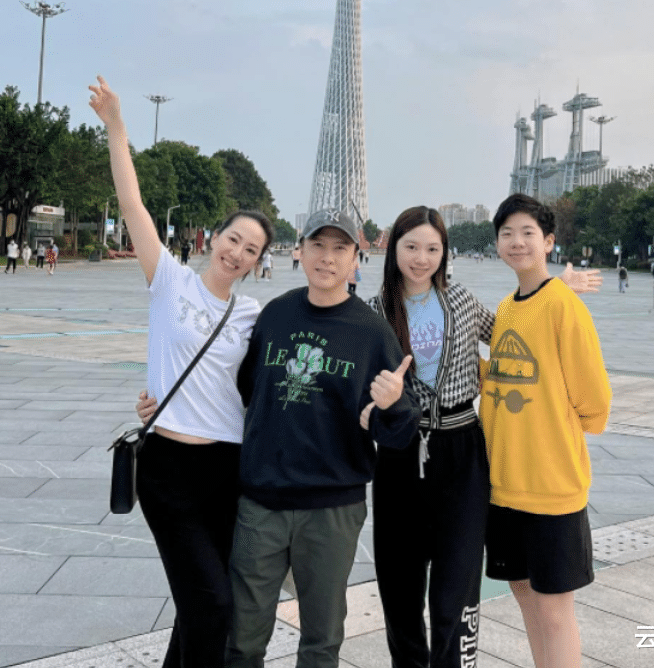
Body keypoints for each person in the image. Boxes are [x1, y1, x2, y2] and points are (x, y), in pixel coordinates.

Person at [365, 206, 602, 668]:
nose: (421, 258)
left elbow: (516, 336)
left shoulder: (462, 302)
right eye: (411, 247)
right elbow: (357, 394)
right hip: (400, 456)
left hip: (462, 452)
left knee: (456, 589)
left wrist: (554, 291)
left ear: (444, 253)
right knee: (399, 587)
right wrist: (378, 404)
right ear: (393, 250)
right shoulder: (373, 314)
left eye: (432, 248)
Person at [90, 74, 274, 668]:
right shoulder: (169, 281)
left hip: (227, 469)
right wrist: (118, 129)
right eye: (234, 239)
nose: (238, 253)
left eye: (252, 250)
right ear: (213, 236)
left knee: (200, 605)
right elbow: (132, 205)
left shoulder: (251, 316)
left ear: (257, 264)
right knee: (212, 605)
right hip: (168, 469)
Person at [226, 208, 421, 668]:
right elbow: (245, 390)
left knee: (322, 638)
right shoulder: (275, 315)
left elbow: (401, 431)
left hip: (332, 508)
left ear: (357, 258)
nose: (327, 258)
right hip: (261, 503)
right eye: (317, 245)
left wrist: (393, 404)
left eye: (340, 248)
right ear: (300, 250)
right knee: (242, 637)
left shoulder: (372, 333)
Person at [481, 193, 611, 668]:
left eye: (528, 233)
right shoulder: (507, 309)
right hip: (506, 486)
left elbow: (594, 399)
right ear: (497, 243)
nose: (517, 242)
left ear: (549, 242)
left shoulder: (563, 305)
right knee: (522, 592)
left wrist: (553, 431)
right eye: (508, 233)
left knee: (555, 610)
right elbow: (500, 373)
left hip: (552, 486)